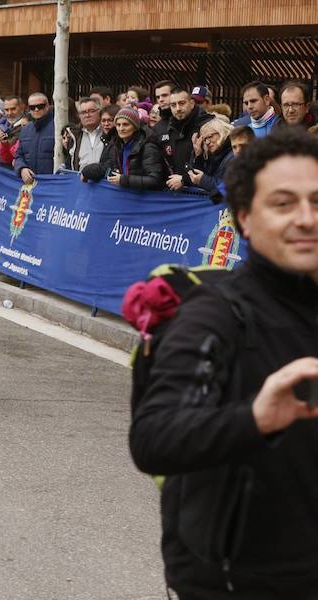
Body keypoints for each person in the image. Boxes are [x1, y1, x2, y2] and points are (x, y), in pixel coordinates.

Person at [129, 128, 318, 598]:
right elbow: (153, 438)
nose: (306, 218)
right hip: (239, 581)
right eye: (283, 203)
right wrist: (255, 419)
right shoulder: (213, 315)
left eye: (317, 201)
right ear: (245, 219)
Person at [80, 107, 164, 191]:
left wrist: (123, 180)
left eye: (125, 124)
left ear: (135, 127)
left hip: (144, 199)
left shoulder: (147, 146)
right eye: (118, 125)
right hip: (123, 197)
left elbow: (154, 179)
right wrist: (86, 171)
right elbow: (106, 167)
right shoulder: (116, 145)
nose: (121, 129)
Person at [159, 88, 214, 191]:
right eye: (173, 105)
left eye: (182, 103)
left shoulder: (208, 125)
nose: (178, 108)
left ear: (192, 103)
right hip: (175, 191)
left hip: (203, 194)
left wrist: (184, 179)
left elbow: (213, 163)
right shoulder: (166, 128)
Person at [13, 92, 55, 184]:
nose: (36, 109)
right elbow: (18, 156)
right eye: (32, 107)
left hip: (52, 184)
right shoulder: (25, 129)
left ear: (47, 106)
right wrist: (22, 169)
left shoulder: (58, 127)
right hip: (30, 185)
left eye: (40, 106)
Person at [188, 117, 234, 197]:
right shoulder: (214, 155)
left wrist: (203, 180)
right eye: (205, 139)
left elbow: (229, 187)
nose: (207, 142)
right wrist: (198, 155)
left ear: (222, 132)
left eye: (210, 136)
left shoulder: (233, 153)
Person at [74, 96, 103, 170]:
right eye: (83, 112)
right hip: (82, 179)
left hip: (105, 179)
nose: (87, 115)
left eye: (91, 111)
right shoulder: (74, 136)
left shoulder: (108, 133)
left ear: (99, 111)